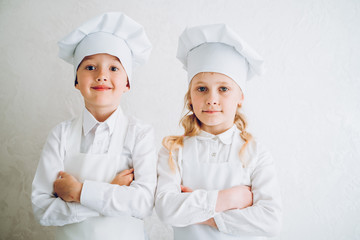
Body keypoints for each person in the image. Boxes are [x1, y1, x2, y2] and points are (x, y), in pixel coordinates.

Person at [31, 12, 156, 240]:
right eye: (90, 67)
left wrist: (78, 192)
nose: (101, 76)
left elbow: (144, 204)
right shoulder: (60, 135)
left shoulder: (139, 134)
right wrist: (111, 190)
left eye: (114, 68)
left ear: (127, 83)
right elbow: (42, 209)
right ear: (76, 80)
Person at [155, 24, 282, 239]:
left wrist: (204, 215)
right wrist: (229, 199)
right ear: (190, 97)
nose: (211, 99)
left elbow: (270, 221)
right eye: (201, 88)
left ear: (240, 96)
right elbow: (166, 209)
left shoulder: (256, 153)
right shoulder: (173, 151)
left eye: (223, 89)